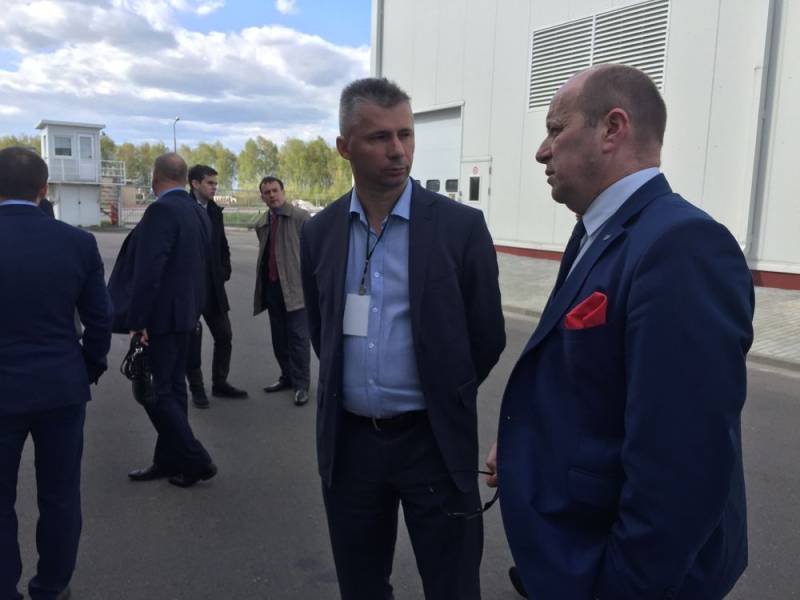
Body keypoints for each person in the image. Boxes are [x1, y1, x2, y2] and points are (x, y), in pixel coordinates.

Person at [487, 64, 755, 599]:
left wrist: (620, 587)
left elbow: (682, 466)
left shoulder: (681, 246)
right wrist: (526, 445)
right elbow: (593, 385)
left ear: (613, 128)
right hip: (577, 553)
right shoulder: (599, 231)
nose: (541, 151)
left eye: (556, 129)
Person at [300, 77, 506, 600]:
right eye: (379, 137)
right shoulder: (320, 232)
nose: (398, 150)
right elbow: (324, 330)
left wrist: (445, 390)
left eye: (406, 134)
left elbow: (486, 335)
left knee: (453, 585)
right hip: (351, 447)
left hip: (433, 442)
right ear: (344, 146)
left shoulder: (460, 228)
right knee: (361, 585)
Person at [0, 147, 112, 600]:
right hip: (61, 387)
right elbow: (100, 319)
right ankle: (52, 586)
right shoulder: (78, 242)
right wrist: (87, 368)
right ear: (45, 190)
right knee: (61, 495)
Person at [108, 153, 218, 488]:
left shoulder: (161, 211)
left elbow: (149, 271)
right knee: (173, 389)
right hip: (185, 316)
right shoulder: (197, 212)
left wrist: (138, 320)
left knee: (155, 393)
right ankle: (170, 459)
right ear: (185, 179)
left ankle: (196, 459)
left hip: (161, 319)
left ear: (155, 177)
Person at [186, 164, 247, 407]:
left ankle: (219, 383)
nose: (214, 188)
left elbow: (222, 244)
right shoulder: (184, 209)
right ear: (195, 183)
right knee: (192, 338)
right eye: (210, 183)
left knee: (224, 335)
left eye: (215, 183)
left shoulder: (214, 211)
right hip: (189, 288)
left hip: (213, 287)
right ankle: (197, 388)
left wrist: (225, 269)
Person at [254, 176, 311, 406]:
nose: (271, 195)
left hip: (296, 289)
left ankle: (301, 385)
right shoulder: (262, 222)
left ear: (283, 192)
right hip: (272, 289)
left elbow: (314, 253)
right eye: (267, 192)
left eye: (275, 190)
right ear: (262, 197)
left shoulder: (301, 218)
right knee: (279, 339)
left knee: (298, 339)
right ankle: (287, 377)